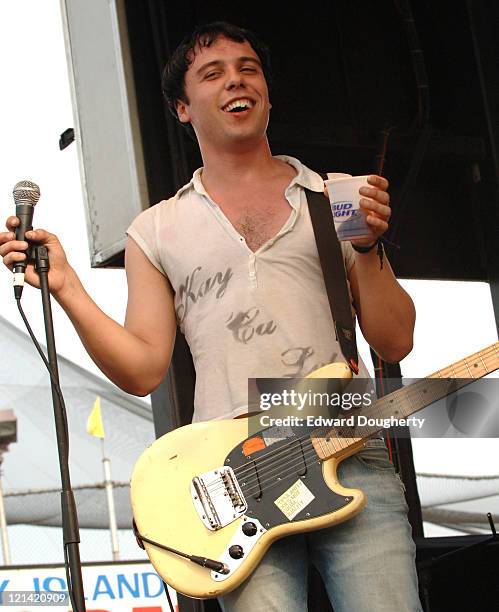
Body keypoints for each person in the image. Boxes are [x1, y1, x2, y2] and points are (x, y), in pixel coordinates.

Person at [1, 21, 420, 611]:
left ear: (268, 95)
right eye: (213, 73)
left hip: (347, 449)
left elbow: (394, 339)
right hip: (234, 471)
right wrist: (66, 285)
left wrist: (371, 247)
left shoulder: (336, 198)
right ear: (181, 108)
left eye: (249, 69)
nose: (235, 81)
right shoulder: (155, 229)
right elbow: (143, 368)